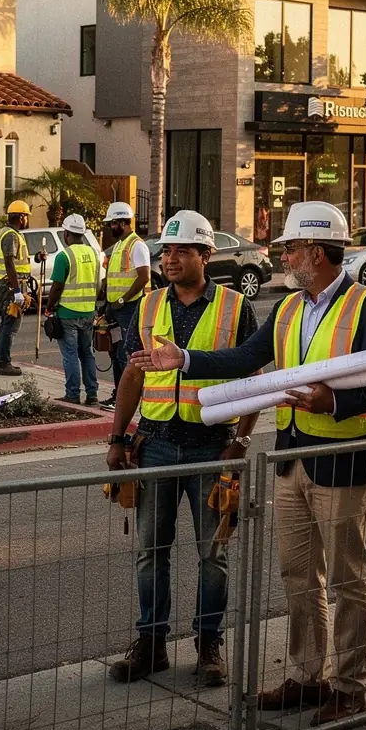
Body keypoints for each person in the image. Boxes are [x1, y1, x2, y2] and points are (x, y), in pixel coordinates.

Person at [130, 201, 366, 724]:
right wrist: (183, 359)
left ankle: (349, 686)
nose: (283, 255)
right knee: (299, 576)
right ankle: (307, 678)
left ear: (319, 252)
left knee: (347, 579)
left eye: (291, 248)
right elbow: (243, 359)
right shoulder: (289, 307)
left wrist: (333, 403)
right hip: (293, 460)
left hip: (345, 461)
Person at [107, 210, 259, 688]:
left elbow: (253, 379)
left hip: (213, 449)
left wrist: (240, 440)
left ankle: (208, 643)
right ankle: (151, 642)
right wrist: (117, 437)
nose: (170, 259)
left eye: (181, 251)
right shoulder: (148, 306)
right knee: (151, 552)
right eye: (166, 251)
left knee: (212, 554)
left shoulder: (236, 308)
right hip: (154, 446)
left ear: (206, 256)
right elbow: (132, 373)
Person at [98, 201, 151, 410]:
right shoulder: (121, 244)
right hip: (117, 309)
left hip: (130, 308)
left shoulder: (137, 245)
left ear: (123, 222)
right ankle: (119, 393)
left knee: (127, 354)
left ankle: (126, 396)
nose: (110, 227)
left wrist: (122, 299)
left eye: (113, 224)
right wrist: (107, 306)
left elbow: (144, 276)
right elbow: (114, 279)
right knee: (115, 352)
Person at [44, 213, 100, 405]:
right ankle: (92, 395)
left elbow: (57, 286)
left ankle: (73, 394)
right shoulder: (93, 253)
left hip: (67, 313)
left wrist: (49, 307)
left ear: (67, 234)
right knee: (87, 354)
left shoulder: (64, 256)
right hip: (88, 312)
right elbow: (98, 284)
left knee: (70, 355)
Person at [0, 199, 34, 376]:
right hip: (9, 285)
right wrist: (17, 291)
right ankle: (3, 363)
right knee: (10, 324)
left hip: (9, 283)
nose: (27, 220)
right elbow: (9, 262)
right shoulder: (10, 235)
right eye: (26, 217)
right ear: (21, 217)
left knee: (5, 323)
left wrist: (38, 257)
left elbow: (17, 260)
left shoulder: (12, 233)